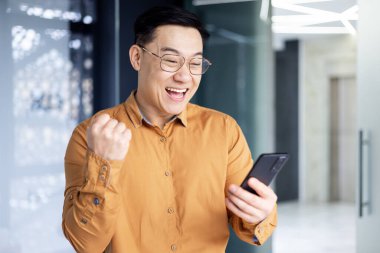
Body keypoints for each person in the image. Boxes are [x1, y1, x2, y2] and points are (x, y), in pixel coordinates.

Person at [62, 5, 277, 253]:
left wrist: (260, 213)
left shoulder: (224, 130)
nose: (185, 76)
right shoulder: (91, 135)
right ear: (137, 58)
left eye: (196, 63)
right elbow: (85, 243)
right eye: (171, 60)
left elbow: (248, 229)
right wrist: (103, 163)